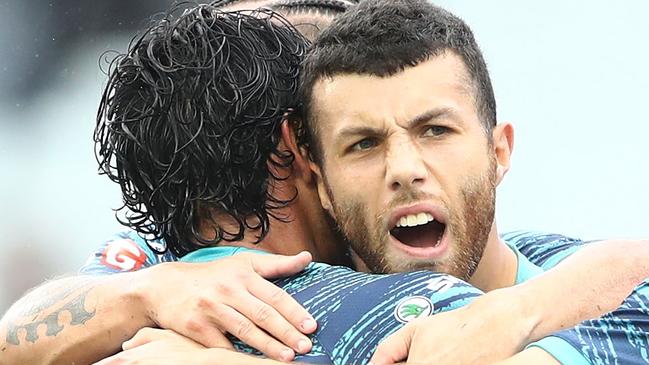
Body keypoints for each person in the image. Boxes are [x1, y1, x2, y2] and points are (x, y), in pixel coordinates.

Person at [1, 1, 647, 365]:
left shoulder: (162, 281)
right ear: (305, 156)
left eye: (432, 130)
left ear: (498, 150)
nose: (402, 168)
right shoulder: (165, 279)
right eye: (359, 141)